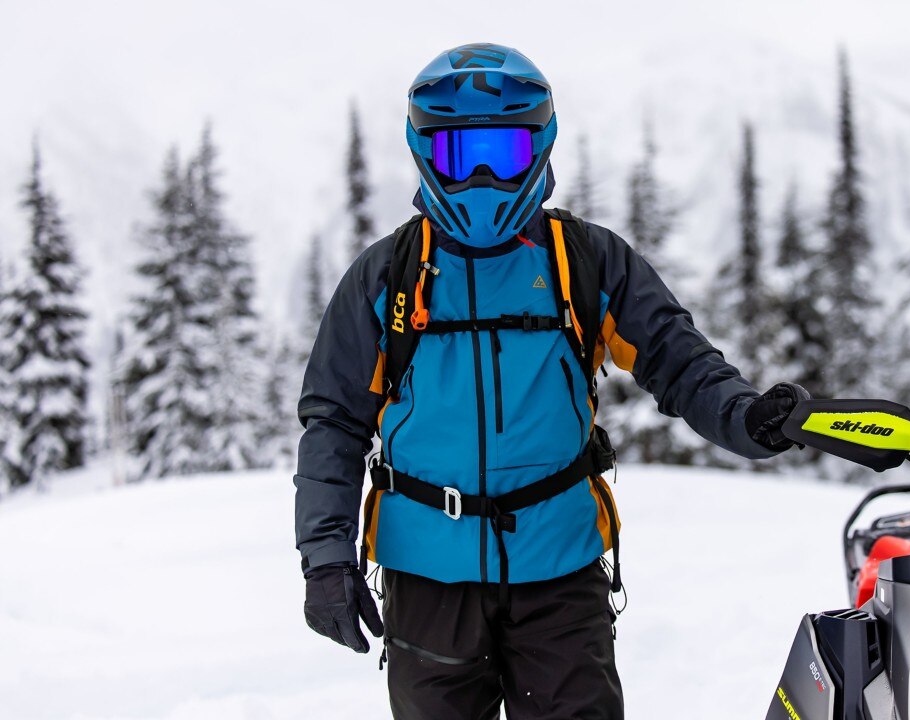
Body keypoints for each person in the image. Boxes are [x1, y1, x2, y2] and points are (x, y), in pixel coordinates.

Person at [294, 42, 809, 719]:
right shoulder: (386, 275)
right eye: (459, 155)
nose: (481, 177)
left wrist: (747, 418)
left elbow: (679, 363)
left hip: (559, 573)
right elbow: (334, 421)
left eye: (502, 153)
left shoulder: (586, 261)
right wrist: (325, 556)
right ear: (424, 153)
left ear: (538, 147)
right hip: (426, 577)